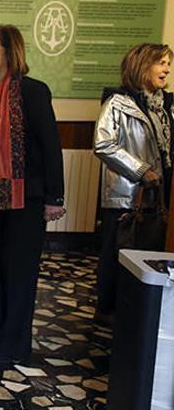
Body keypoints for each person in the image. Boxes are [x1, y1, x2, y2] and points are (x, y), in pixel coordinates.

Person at [0, 24, 65, 367]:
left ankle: (15, 342)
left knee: (19, 271)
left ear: (10, 53)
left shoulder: (32, 92)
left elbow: (51, 146)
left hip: (27, 199)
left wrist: (55, 197)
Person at [93, 43, 172, 326]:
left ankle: (140, 304)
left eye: (168, 64)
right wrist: (141, 170)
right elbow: (103, 144)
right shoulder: (118, 103)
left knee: (149, 248)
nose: (166, 69)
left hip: (158, 195)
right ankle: (108, 307)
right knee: (117, 251)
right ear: (141, 66)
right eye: (160, 63)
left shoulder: (165, 106)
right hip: (126, 194)